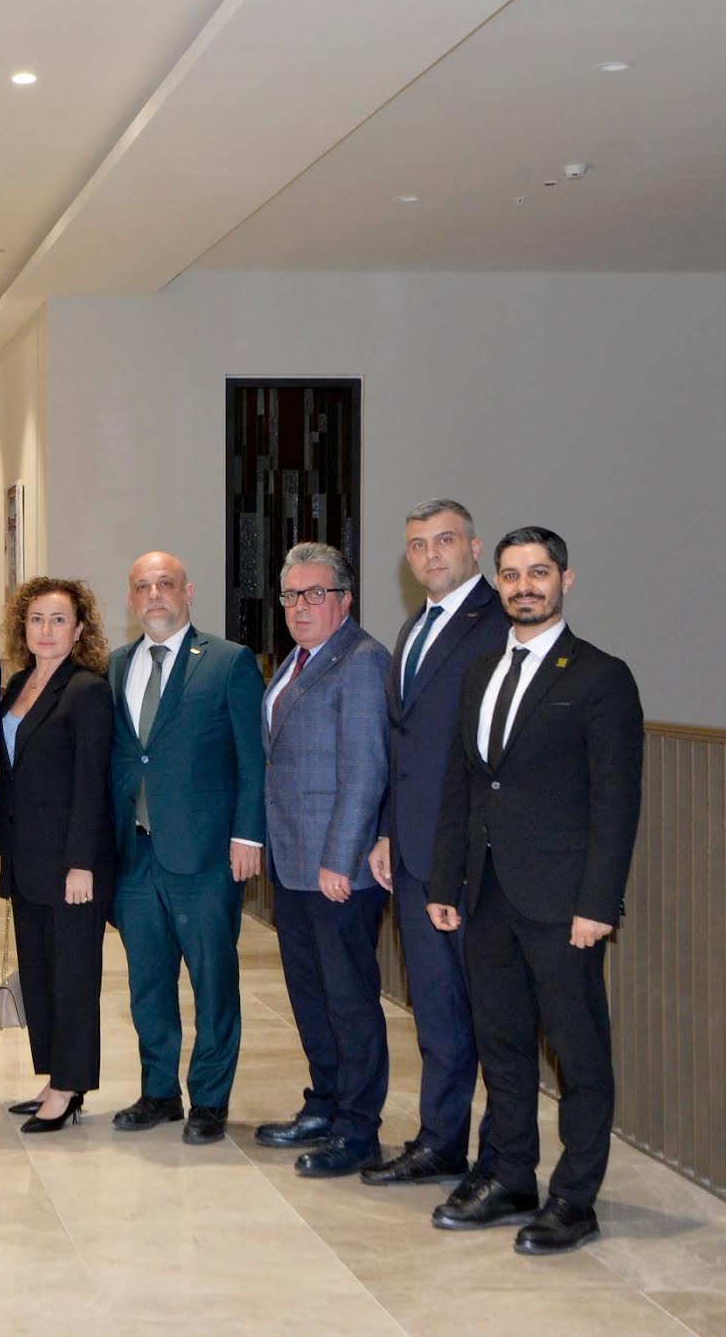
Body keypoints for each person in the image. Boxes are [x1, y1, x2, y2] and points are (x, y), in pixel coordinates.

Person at [428, 527, 643, 1255]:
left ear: (565, 580)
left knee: (578, 1055)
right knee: (503, 1044)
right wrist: (445, 879)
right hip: (488, 895)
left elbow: (616, 802)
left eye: (539, 573)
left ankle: (574, 1199)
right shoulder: (479, 671)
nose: (525, 586)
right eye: (512, 574)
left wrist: (598, 904)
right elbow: (462, 784)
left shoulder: (600, 676)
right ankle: (510, 1176)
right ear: (498, 582)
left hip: (563, 903)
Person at [362, 499, 508, 1188]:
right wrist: (387, 831)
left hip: (477, 858)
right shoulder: (414, 626)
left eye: (444, 540)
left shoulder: (500, 624)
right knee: (438, 1012)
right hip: (415, 853)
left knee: (494, 1016)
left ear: (474, 548)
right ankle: (440, 1143)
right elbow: (406, 749)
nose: (430, 555)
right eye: (418, 544)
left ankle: (502, 1162)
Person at [106, 551, 266, 1145]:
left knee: (212, 981)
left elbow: (253, 758)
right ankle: (159, 1092)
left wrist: (248, 835)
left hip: (205, 856)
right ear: (131, 599)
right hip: (135, 855)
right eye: (143, 586)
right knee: (147, 983)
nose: (155, 595)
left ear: (188, 592)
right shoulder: (117, 665)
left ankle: (210, 1099)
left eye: (165, 584)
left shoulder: (227, 662)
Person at [254, 543, 392, 1178]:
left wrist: (341, 859)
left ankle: (359, 1130)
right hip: (294, 862)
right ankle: (325, 1104)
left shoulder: (362, 662)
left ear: (345, 598)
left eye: (315, 593)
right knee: (310, 993)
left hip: (338, 870)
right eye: (291, 595)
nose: (300, 606)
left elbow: (365, 770)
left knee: (349, 1000)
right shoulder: (297, 660)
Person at [0, 577, 116, 1133]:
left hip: (71, 864)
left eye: (58, 619)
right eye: (37, 618)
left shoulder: (87, 691)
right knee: (40, 973)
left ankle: (70, 1086)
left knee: (73, 979)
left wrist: (81, 863)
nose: (46, 629)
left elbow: (92, 783)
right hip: (26, 859)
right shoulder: (20, 683)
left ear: (79, 629)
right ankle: (54, 1076)